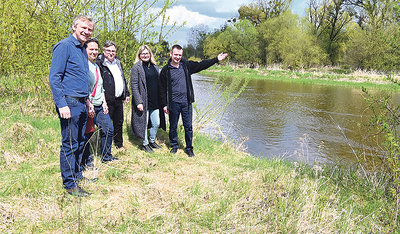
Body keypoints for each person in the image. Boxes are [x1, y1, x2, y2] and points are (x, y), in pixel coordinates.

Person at [49, 15, 95, 197]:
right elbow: (54, 77)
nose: (86, 31)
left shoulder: (83, 49)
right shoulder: (65, 46)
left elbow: (82, 79)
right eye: (83, 27)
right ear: (74, 26)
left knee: (80, 142)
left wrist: (88, 101)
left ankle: (77, 175)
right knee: (69, 144)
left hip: (82, 103)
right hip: (69, 103)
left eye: (90, 29)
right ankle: (70, 185)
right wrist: (61, 104)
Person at [158, 44, 228, 157]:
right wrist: (164, 104)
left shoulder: (186, 65)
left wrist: (216, 59)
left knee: (188, 127)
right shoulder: (166, 70)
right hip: (173, 103)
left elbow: (201, 65)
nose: (177, 57)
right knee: (173, 126)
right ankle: (174, 146)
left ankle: (189, 148)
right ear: (171, 54)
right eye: (175, 55)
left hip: (186, 103)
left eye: (180, 55)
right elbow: (161, 88)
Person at [82, 38, 118, 167]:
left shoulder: (96, 66)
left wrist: (104, 102)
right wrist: (88, 103)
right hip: (89, 106)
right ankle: (86, 160)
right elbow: (83, 87)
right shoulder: (84, 65)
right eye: (91, 49)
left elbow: (100, 87)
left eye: (96, 49)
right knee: (87, 134)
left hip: (99, 105)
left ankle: (106, 156)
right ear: (85, 49)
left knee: (108, 129)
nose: (94, 52)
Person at [130, 45, 166, 153]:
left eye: (147, 53)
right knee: (143, 124)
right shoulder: (136, 67)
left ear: (150, 54)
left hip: (155, 100)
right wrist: (138, 102)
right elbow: (134, 86)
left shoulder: (155, 66)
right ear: (139, 55)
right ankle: (145, 144)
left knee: (156, 123)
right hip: (143, 101)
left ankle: (152, 141)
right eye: (142, 53)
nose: (145, 55)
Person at [96, 40, 131, 150]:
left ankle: (119, 144)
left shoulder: (117, 62)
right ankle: (107, 147)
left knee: (119, 122)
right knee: (107, 126)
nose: (111, 53)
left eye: (113, 51)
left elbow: (122, 78)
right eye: (109, 51)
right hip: (107, 100)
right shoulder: (100, 63)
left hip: (118, 99)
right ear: (103, 50)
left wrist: (127, 93)